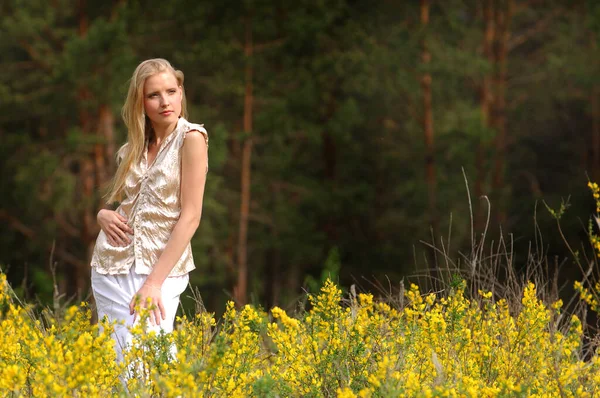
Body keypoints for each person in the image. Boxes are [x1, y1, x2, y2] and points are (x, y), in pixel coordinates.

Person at [89, 58, 209, 365]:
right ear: (141, 102)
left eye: (171, 91)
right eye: (154, 95)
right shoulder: (133, 149)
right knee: (120, 365)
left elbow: (191, 216)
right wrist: (103, 216)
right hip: (110, 266)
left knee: (155, 362)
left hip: (160, 269)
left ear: (181, 92)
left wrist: (154, 283)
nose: (165, 101)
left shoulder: (192, 139)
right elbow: (129, 205)